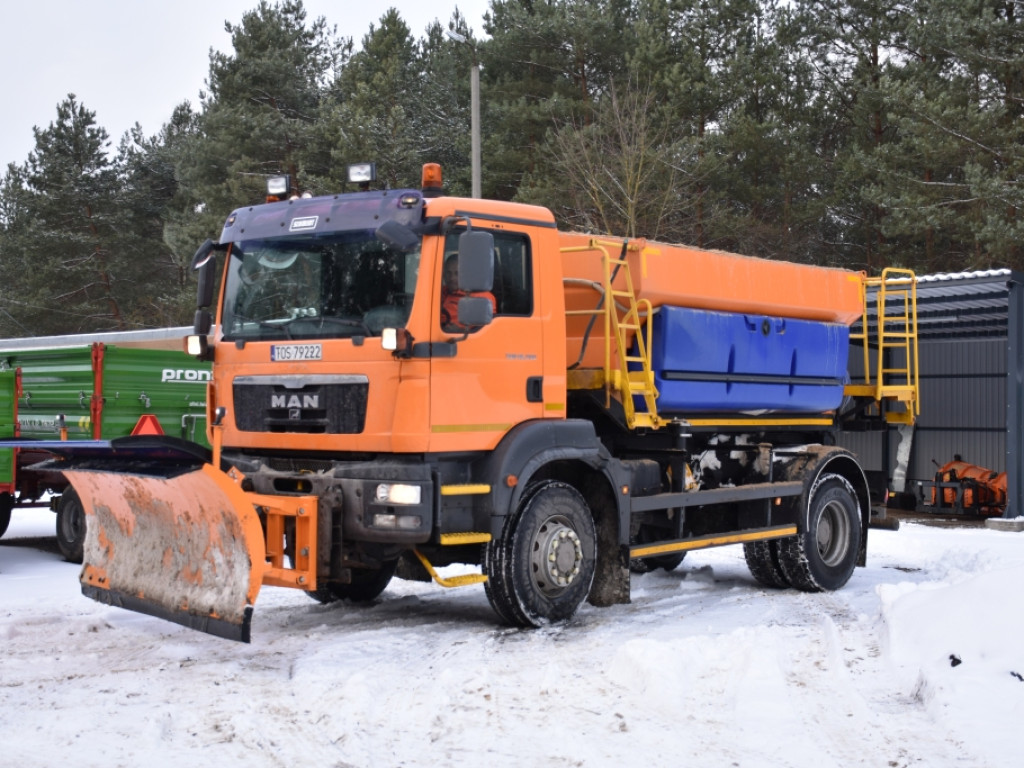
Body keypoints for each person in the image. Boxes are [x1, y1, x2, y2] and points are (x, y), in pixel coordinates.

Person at [440, 254, 495, 332]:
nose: (452, 278)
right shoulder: (439, 292)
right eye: (449, 273)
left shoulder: (483, 298)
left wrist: (460, 331)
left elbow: (488, 332)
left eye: (457, 273)